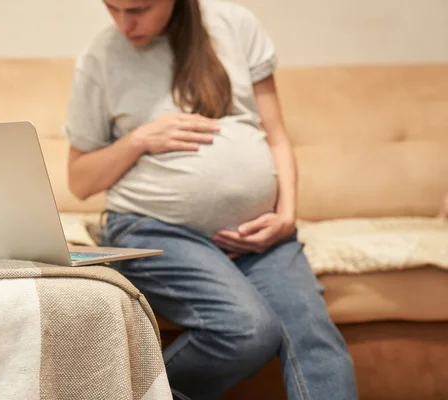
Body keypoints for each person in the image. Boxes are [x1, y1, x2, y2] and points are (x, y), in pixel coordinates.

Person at [63, 0, 358, 399]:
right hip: (155, 227)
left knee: (315, 340)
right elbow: (79, 180)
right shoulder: (100, 58)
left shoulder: (233, 25)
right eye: (112, 8)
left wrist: (286, 215)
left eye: (138, 8)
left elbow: (277, 136)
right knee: (247, 330)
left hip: (260, 232)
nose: (124, 23)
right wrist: (139, 140)